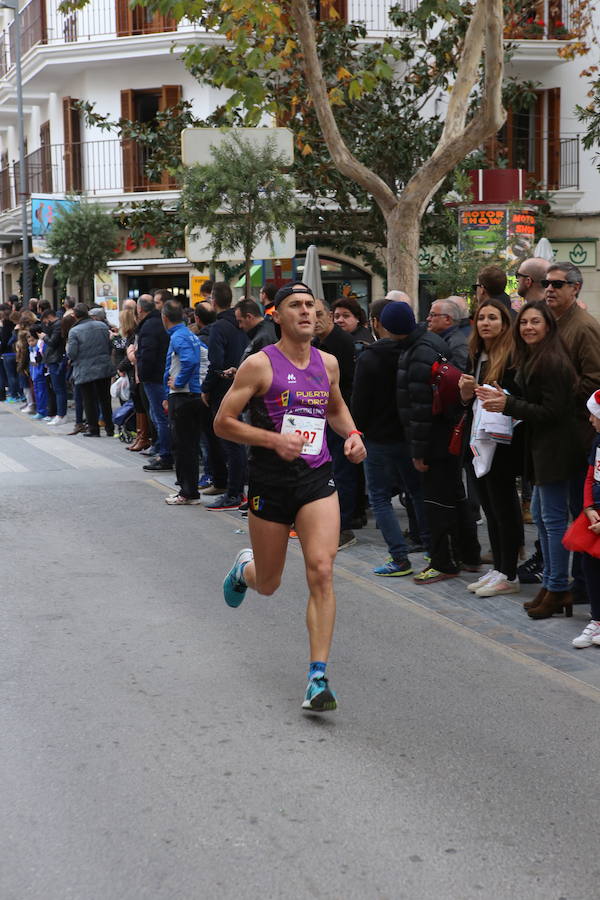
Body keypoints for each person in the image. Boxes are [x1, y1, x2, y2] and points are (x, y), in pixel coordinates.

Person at [215, 282, 366, 712]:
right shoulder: (259, 366)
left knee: (321, 569)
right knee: (269, 583)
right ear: (276, 316)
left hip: (316, 479)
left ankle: (317, 677)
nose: (305, 312)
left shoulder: (329, 363)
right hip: (270, 482)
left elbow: (334, 409)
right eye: (295, 306)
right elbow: (223, 423)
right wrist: (271, 439)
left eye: (310, 306)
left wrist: (353, 436)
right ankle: (245, 567)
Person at [478, 301, 585, 619]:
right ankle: (552, 585)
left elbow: (554, 412)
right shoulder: (534, 357)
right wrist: (507, 399)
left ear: (548, 326)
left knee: (551, 522)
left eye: (535, 322)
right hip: (543, 449)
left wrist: (509, 404)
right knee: (541, 515)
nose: (528, 328)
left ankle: (556, 587)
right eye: (524, 322)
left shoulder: (551, 361)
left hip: (557, 450)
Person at [388, 300, 481, 584]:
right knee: (455, 496)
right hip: (450, 435)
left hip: (437, 440)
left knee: (436, 502)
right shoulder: (430, 342)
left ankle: (443, 562)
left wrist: (419, 452)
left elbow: (420, 410)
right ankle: (470, 556)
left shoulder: (417, 353)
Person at [352, 298, 429, 576]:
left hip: (377, 439)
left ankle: (399, 557)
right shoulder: (412, 351)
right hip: (408, 437)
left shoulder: (369, 357)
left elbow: (359, 405)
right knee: (417, 492)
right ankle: (432, 550)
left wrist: (356, 432)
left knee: (381, 498)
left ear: (375, 323)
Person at [544, 261, 600, 603]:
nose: (549, 288)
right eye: (547, 283)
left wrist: (558, 396)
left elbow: (595, 380)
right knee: (561, 510)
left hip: (578, 434)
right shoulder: (558, 323)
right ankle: (575, 583)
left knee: (580, 509)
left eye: (557, 284)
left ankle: (581, 586)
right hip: (559, 432)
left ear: (574, 289)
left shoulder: (583, 327)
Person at [458, 300, 523, 596]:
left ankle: (509, 573)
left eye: (492, 318)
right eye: (481, 317)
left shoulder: (511, 355)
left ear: (504, 323)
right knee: (490, 506)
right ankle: (499, 567)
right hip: (479, 438)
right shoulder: (477, 353)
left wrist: (499, 395)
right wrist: (465, 393)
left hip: (504, 442)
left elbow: (517, 397)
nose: (485, 323)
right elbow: (470, 403)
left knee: (503, 506)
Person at [313, 296, 360, 548]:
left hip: (340, 416)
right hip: (323, 416)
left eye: (319, 314)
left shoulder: (339, 343)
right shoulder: (317, 342)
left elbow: (343, 386)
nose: (315, 320)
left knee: (342, 472)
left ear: (330, 315)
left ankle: (344, 526)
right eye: (312, 314)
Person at [201, 281, 248, 510]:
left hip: (224, 388)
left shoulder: (219, 327)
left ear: (213, 300)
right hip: (244, 384)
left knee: (230, 442)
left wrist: (206, 388)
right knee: (237, 441)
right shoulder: (240, 324)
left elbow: (215, 362)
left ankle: (234, 492)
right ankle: (235, 488)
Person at [161, 300, 204, 506]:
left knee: (183, 446)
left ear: (165, 318)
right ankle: (190, 490)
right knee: (189, 445)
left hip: (183, 397)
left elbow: (190, 361)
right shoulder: (189, 334)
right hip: (191, 395)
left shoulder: (179, 336)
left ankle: (187, 492)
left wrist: (177, 384)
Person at [571, 390, 600, 648]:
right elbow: (590, 476)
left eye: (594, 414)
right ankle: (597, 618)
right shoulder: (597, 442)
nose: (590, 419)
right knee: (589, 565)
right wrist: (588, 505)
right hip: (595, 514)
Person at [66, 304, 115, 437]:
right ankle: (109, 427)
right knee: (105, 399)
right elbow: (109, 345)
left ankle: (94, 429)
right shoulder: (102, 326)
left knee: (88, 400)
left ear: (75, 315)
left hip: (84, 368)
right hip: (104, 366)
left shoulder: (74, 331)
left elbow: (72, 353)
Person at [135, 295, 172, 471]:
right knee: (158, 414)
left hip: (154, 377)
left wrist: (142, 374)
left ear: (140, 309)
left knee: (160, 416)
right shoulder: (158, 322)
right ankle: (161, 449)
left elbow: (148, 353)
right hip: (159, 375)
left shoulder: (150, 325)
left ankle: (165, 454)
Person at [40, 308, 68, 425]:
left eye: (46, 321)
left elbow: (52, 342)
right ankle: (60, 414)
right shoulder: (56, 325)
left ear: (48, 317)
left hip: (56, 360)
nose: (46, 324)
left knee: (59, 388)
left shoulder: (57, 325)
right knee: (57, 388)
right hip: (54, 359)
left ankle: (61, 414)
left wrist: (44, 337)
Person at [426, 298, 469, 371]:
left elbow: (458, 375)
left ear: (447, 319)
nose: (428, 319)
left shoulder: (458, 344)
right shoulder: (439, 338)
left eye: (433, 315)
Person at [235, 299, 277, 365]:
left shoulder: (262, 338)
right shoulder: (267, 330)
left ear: (249, 317)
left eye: (240, 321)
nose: (240, 326)